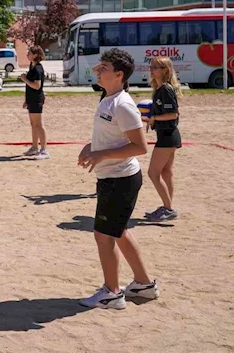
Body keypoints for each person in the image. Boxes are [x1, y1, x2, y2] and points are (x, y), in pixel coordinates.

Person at [77, 49, 158, 309]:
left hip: (120, 178)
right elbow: (112, 136)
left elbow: (140, 146)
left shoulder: (123, 104)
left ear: (119, 75)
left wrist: (101, 154)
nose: (97, 71)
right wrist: (91, 147)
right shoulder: (108, 98)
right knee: (118, 231)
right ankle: (144, 285)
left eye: (104, 68)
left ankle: (112, 293)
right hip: (113, 177)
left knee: (104, 235)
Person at [144, 56, 182, 222]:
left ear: (165, 70)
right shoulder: (160, 88)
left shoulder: (165, 89)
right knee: (166, 172)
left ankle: (168, 208)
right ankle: (167, 207)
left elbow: (173, 114)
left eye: (155, 67)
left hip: (168, 136)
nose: (151, 69)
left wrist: (154, 119)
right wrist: (151, 118)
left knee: (153, 173)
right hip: (167, 135)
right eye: (151, 66)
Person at [21, 46, 49, 160]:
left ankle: (44, 150)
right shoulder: (32, 66)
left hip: (37, 99)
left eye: (29, 53)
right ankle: (34, 147)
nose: (27, 54)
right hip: (31, 99)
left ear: (35, 55)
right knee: (33, 125)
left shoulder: (38, 68)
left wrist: (25, 79)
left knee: (39, 125)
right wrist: (26, 100)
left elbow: (37, 86)